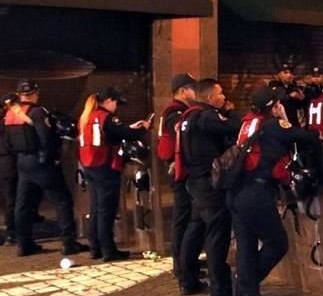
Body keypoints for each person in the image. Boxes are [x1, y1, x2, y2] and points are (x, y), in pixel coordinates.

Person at [229, 86, 318, 296]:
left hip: (237, 191)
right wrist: (286, 119)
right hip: (258, 193)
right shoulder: (273, 125)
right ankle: (244, 286)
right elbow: (309, 137)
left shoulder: (248, 122)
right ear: (274, 106)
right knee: (277, 242)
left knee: (246, 245)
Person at [3, 80, 86, 257]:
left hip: (21, 162)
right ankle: (68, 242)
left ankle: (24, 244)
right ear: (35, 93)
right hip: (40, 162)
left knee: (23, 204)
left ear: (18, 94)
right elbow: (45, 138)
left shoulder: (11, 114)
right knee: (62, 200)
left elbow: (9, 142)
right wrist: (52, 158)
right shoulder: (37, 112)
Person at [177, 79, 242, 296]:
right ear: (209, 98)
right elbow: (233, 127)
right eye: (220, 93)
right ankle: (220, 289)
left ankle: (187, 280)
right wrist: (233, 114)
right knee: (217, 233)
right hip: (208, 184)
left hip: (194, 182)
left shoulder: (188, 116)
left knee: (194, 230)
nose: (224, 97)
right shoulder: (205, 116)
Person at [77, 88, 150, 261]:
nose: (116, 107)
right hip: (105, 167)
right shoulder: (106, 117)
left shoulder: (87, 116)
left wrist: (127, 128)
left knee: (95, 208)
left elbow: (113, 133)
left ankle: (95, 247)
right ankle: (109, 250)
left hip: (90, 166)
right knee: (106, 211)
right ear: (109, 101)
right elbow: (125, 134)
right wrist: (143, 129)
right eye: (116, 103)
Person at [156, 73, 198, 279]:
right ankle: (181, 265)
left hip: (181, 170)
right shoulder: (175, 113)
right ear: (182, 91)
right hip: (181, 172)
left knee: (187, 217)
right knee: (183, 218)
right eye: (192, 88)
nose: (195, 92)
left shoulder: (177, 111)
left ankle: (185, 263)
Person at [0, 93, 18, 244]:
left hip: (5, 160)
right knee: (12, 196)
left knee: (10, 197)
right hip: (9, 161)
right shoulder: (9, 120)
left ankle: (11, 231)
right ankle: (12, 232)